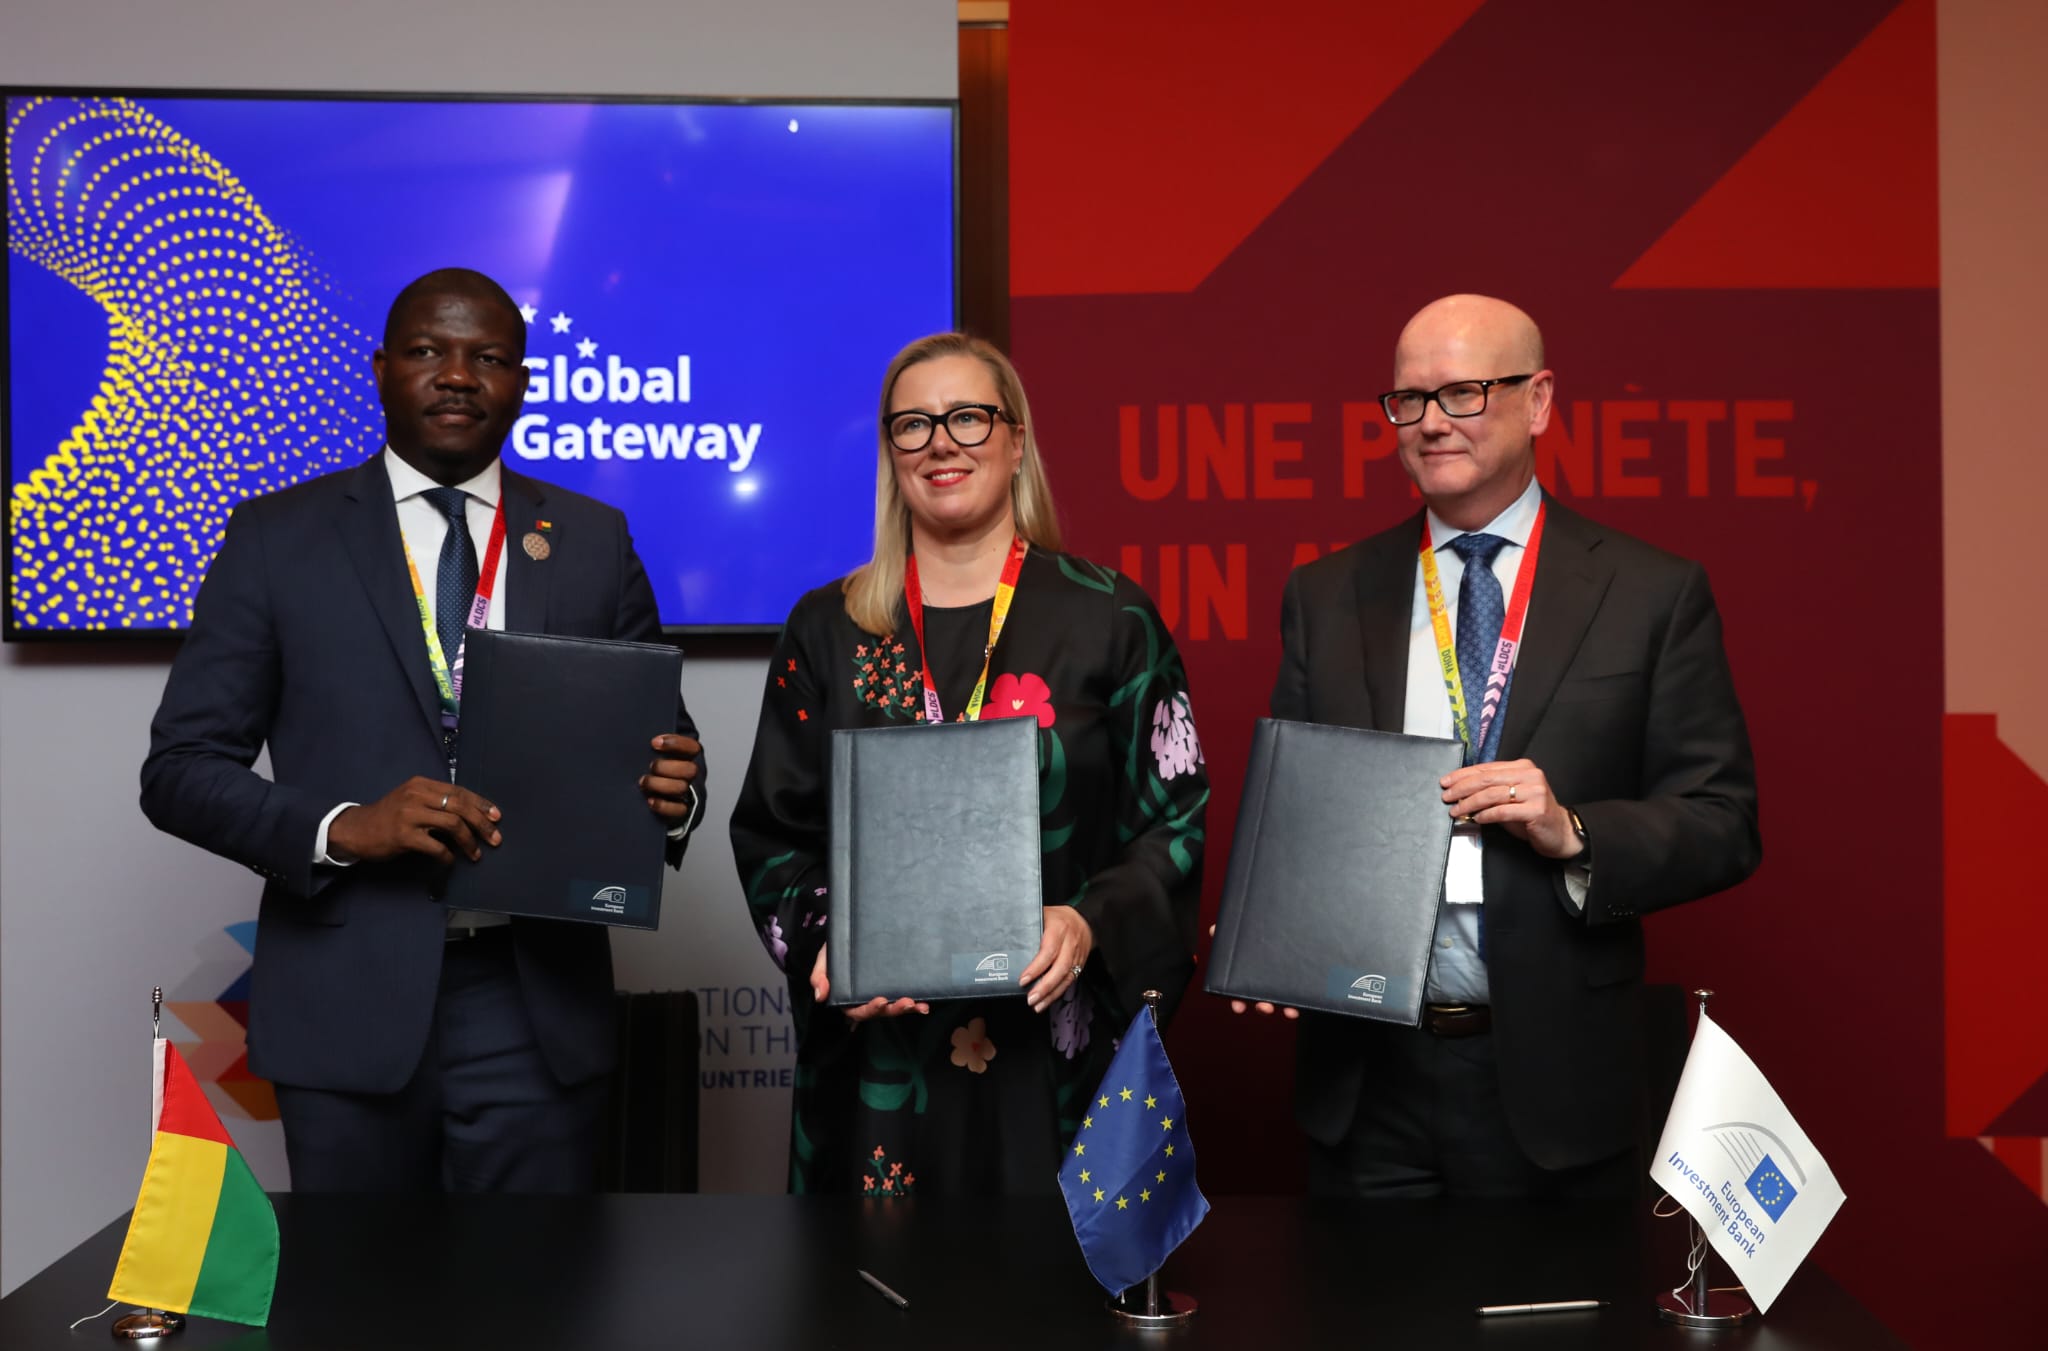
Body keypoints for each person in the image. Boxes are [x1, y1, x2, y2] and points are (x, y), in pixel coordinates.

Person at [140, 267, 705, 1194]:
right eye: (427, 351)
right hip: (345, 1001)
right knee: (359, 1285)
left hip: (534, 1004)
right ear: (380, 371)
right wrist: (344, 827)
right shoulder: (277, 538)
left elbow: (663, 743)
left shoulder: (593, 540)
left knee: (534, 1282)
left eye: (489, 358)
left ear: (521, 383)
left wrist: (676, 795)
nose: (457, 376)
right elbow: (179, 770)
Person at [1253, 294, 1760, 1198]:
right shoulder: (1326, 595)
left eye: (1464, 393)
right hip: (1367, 1083)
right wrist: (1274, 921)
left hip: (1555, 1078)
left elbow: (1724, 822)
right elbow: (1296, 814)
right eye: (1409, 400)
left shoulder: (1651, 593)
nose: (1431, 422)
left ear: (1539, 400)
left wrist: (1575, 831)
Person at [730, 332, 1208, 1196]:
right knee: (869, 1279)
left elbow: (1174, 821)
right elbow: (773, 832)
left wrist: (1088, 921)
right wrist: (832, 941)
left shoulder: (1110, 617)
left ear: (1016, 440)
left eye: (968, 418)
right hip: (879, 1069)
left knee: (1050, 1278)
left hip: (1052, 1059)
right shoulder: (828, 628)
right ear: (891, 452)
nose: (940, 442)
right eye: (913, 424)